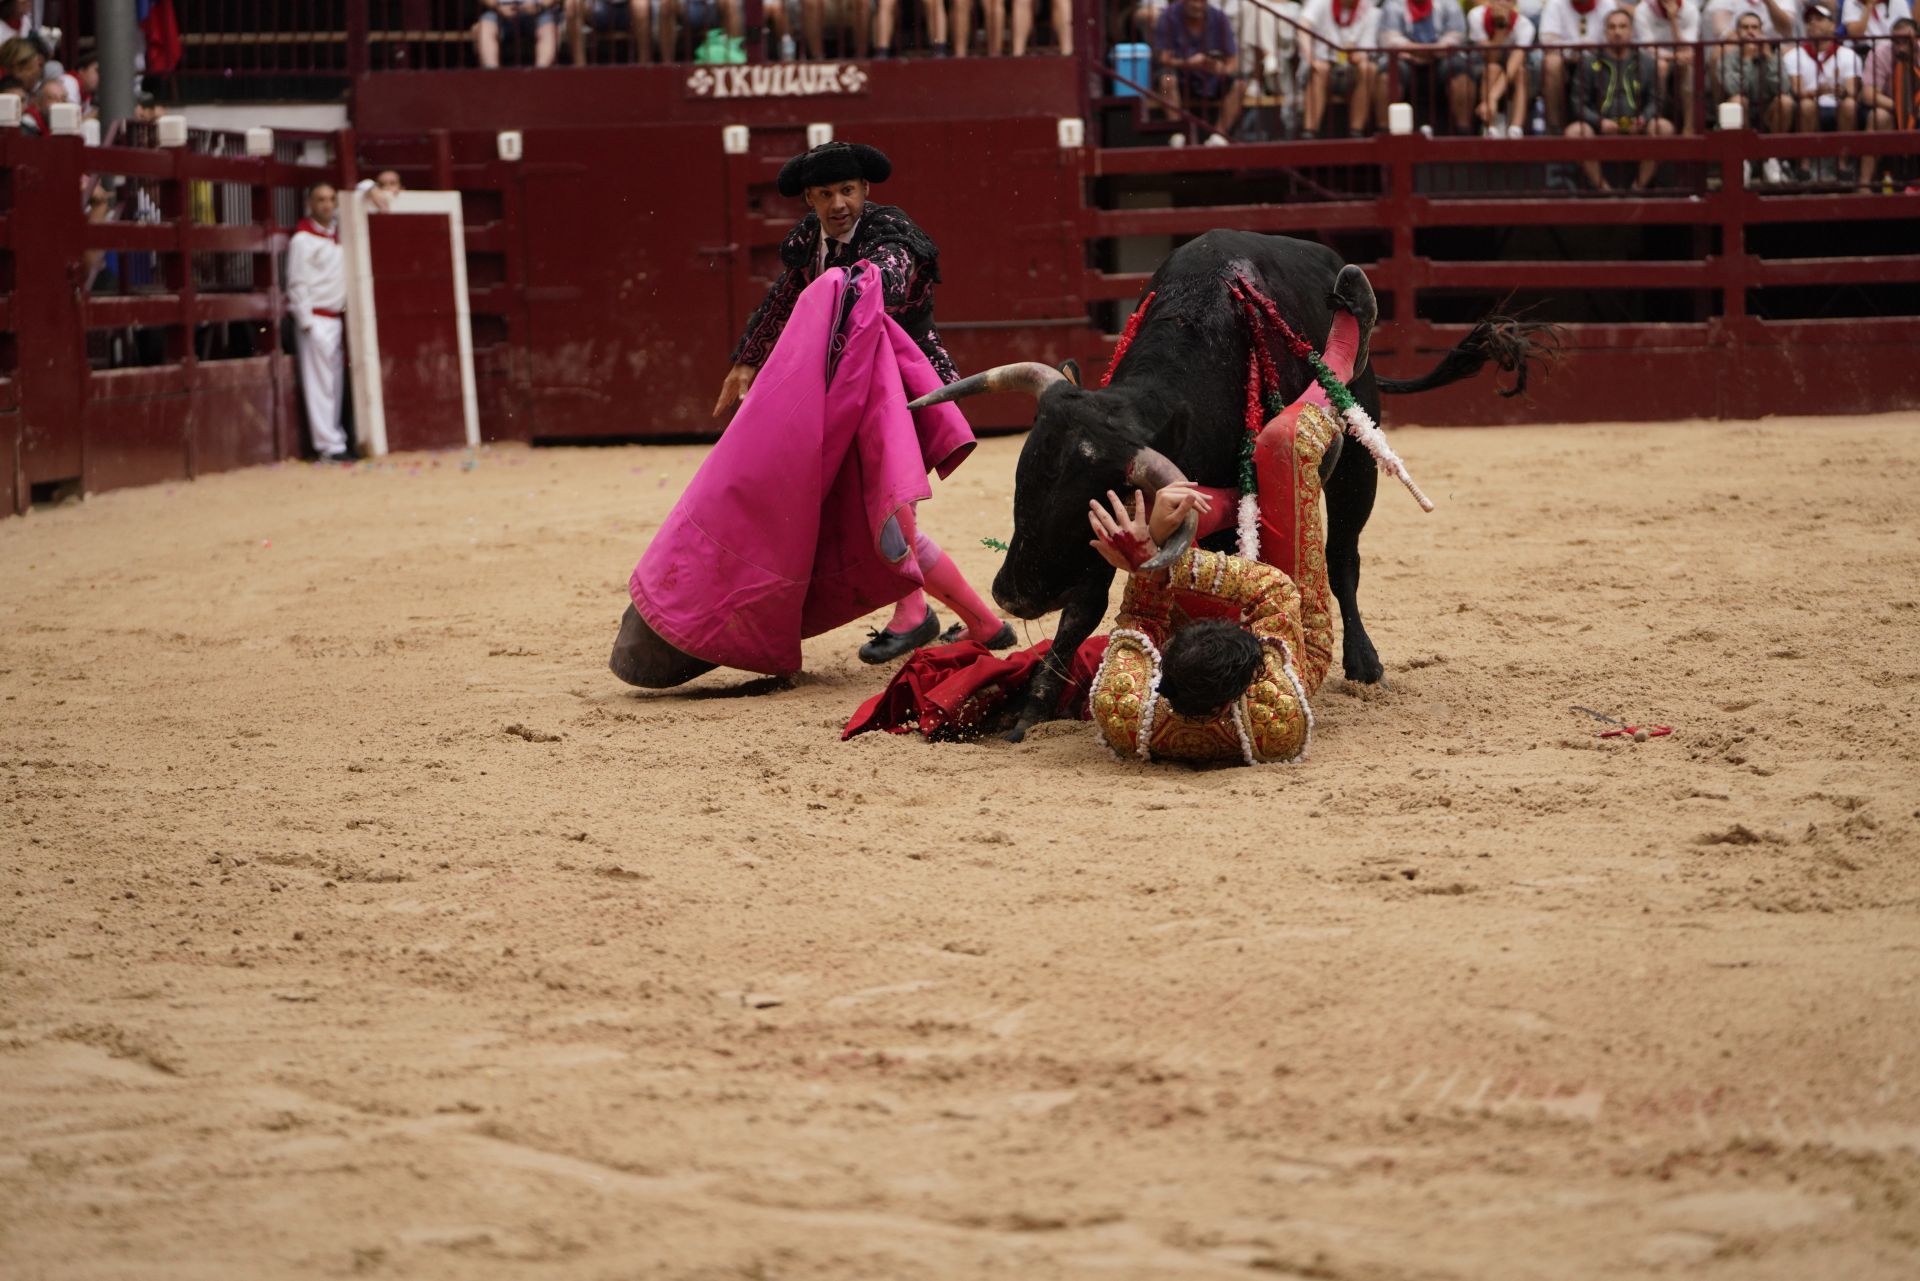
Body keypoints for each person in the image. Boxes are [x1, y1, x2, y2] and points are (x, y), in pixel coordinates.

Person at [714, 142, 1008, 662]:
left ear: (865, 191)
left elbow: (880, 284)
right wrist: (746, 361)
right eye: (825, 194)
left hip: (910, 388)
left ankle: (927, 615)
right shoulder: (809, 241)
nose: (838, 204)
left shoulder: (891, 235)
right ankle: (979, 624)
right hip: (854, 391)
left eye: (847, 191)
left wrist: (832, 290)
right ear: (809, 198)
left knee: (890, 514)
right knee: (885, 513)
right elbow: (784, 297)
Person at [1083, 416, 1337, 766]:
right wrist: (1153, 559)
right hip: (1299, 648)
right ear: (1231, 701)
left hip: (1239, 639)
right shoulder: (1276, 706)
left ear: (1163, 672)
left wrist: (1155, 541)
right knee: (1289, 440)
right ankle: (1335, 382)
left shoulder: (1128, 708)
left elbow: (1145, 616)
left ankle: (1218, 502)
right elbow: (1275, 589)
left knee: (1150, 511)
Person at [1566, 7, 1674, 188]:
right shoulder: (1588, 62)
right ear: (1605, 32)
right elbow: (1578, 103)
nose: (1617, 32)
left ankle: (1638, 188)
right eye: (1612, 27)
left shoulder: (1647, 62)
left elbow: (1656, 101)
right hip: (1601, 125)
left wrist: (1643, 120)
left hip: (1638, 124)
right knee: (1575, 131)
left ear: (1631, 31)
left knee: (1663, 127)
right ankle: (1604, 190)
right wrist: (1599, 122)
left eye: (1623, 27)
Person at [285, 184, 352, 463]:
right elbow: (296, 282)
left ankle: (334, 441)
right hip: (316, 319)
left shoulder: (339, 234)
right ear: (309, 203)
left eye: (331, 199)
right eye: (321, 200)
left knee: (333, 384)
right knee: (320, 384)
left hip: (335, 317)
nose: (327, 205)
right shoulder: (302, 240)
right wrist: (307, 324)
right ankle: (328, 445)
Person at [1378, 0, 1475, 136]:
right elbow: (1390, 39)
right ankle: (1384, 134)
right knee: (1387, 74)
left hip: (1442, 58)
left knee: (1460, 71)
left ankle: (1464, 133)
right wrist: (1421, 51)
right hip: (1405, 59)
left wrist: (1430, 51)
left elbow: (1456, 36)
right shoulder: (1393, 4)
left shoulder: (1449, 3)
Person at [1154, 0, 1245, 143]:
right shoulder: (1168, 16)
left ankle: (1218, 136)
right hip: (1181, 78)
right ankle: (1178, 134)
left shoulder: (1220, 18)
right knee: (1166, 80)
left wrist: (1220, 68)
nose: (1197, 5)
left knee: (1241, 84)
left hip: (1212, 80)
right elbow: (1163, 58)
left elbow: (1233, 63)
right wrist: (1188, 63)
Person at [1784, 1, 1864, 159]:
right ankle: (1804, 162)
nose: (1813, 23)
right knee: (1806, 105)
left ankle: (1843, 161)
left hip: (1837, 104)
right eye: (1809, 20)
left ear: (1833, 26)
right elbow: (1797, 90)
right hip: (1809, 105)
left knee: (1850, 104)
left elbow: (1852, 91)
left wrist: (1839, 91)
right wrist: (1818, 92)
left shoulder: (1848, 54)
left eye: (1819, 19)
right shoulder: (1794, 55)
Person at [1297, 0, 1382, 137]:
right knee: (1321, 69)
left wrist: (1356, 54)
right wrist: (1310, 58)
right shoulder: (1320, 3)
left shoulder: (1371, 11)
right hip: (1323, 64)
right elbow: (1303, 26)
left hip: (1351, 69)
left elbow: (1367, 50)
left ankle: (1356, 132)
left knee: (1368, 69)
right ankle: (1309, 133)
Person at [1539, 0, 1626, 132]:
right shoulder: (1555, 3)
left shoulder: (1607, 4)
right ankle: (1554, 127)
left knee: (1618, 56)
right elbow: (1548, 42)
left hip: (1600, 61)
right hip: (1567, 61)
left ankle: (1616, 122)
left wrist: (1586, 52)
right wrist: (1577, 48)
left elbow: (1613, 39)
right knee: (1551, 63)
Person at [1720, 8, 1795, 154]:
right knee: (1737, 101)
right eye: (1745, 28)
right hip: (1745, 110)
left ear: (1762, 32)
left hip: (1768, 110)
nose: (1750, 32)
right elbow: (1733, 90)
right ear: (1737, 33)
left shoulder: (1773, 55)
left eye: (1755, 27)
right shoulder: (1729, 58)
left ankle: (1774, 157)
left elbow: (1784, 88)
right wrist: (1747, 61)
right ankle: (1745, 157)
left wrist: (1770, 59)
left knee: (1785, 101)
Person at [1861, 15, 1919, 186]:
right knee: (1879, 117)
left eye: (1905, 41)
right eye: (1896, 41)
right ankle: (1864, 184)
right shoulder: (1880, 54)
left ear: (1915, 39)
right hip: (1890, 105)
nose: (1900, 47)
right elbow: (1869, 94)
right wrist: (1901, 106)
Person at [1471, 0, 1536, 136]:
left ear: (1514, 4)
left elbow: (1516, 61)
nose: (1500, 3)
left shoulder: (1525, 25)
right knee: (1492, 69)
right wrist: (1501, 28)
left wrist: (1492, 97)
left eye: (1506, 0)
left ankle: (1515, 128)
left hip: (1513, 68)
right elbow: (1491, 57)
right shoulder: (1476, 16)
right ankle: (1490, 127)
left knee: (1521, 73)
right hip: (1483, 65)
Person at [1635, 0, 1702, 131]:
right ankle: (1657, 122)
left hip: (1681, 58)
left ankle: (1689, 126)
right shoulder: (1642, 10)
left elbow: (1686, 49)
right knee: (1661, 67)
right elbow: (1648, 48)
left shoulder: (1690, 10)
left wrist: (1673, 20)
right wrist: (1675, 57)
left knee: (1688, 69)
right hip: (1650, 60)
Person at [563, 0, 655, 64]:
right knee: (571, 4)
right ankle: (580, 71)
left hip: (628, 10)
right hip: (597, 8)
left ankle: (644, 66)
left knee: (642, 4)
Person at [476, 0, 561, 67]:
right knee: (484, 27)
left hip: (540, 12)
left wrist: (540, 6)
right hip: (499, 12)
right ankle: (492, 74)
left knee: (549, 30)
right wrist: (497, 6)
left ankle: (540, 74)